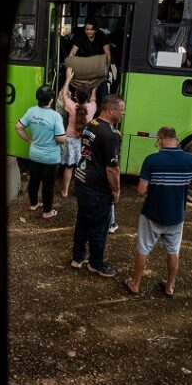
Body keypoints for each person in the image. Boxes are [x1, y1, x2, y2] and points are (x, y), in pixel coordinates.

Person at [123, 126, 192, 298]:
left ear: (160, 139)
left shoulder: (152, 159)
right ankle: (170, 286)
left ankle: (135, 284)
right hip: (176, 215)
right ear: (176, 139)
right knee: (173, 251)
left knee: (143, 249)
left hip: (152, 213)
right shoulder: (190, 160)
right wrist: (180, 183)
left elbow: (141, 190)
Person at [71, 94, 125, 277]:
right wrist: (116, 190)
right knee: (99, 228)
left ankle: (77, 257)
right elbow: (112, 169)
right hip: (97, 188)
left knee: (83, 221)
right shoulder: (110, 135)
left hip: (81, 180)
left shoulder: (91, 125)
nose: (123, 113)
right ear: (111, 111)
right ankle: (96, 263)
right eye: (121, 110)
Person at [16, 85, 67, 218]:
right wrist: (67, 136)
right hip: (50, 158)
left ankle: (33, 204)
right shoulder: (55, 116)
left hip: (34, 155)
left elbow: (19, 127)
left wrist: (28, 140)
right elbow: (60, 139)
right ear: (51, 100)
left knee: (34, 181)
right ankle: (47, 211)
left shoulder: (31, 111)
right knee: (48, 186)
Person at [58, 67, 96, 198]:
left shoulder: (71, 106)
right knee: (82, 167)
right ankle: (79, 190)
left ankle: (65, 191)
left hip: (70, 140)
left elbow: (63, 94)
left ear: (75, 96)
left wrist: (68, 79)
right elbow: (94, 99)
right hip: (84, 141)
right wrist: (94, 87)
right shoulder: (91, 108)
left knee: (69, 167)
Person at [68, 17, 113, 104]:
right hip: (84, 64)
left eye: (91, 30)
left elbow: (107, 55)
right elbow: (73, 52)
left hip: (98, 65)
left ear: (95, 30)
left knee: (103, 85)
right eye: (86, 29)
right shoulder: (81, 36)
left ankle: (102, 105)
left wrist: (106, 69)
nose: (88, 32)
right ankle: (77, 104)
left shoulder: (102, 36)